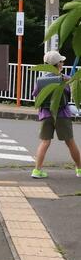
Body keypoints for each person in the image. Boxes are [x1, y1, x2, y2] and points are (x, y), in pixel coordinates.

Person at [30, 50, 81, 179]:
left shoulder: (40, 80)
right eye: (62, 61)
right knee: (70, 142)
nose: (63, 63)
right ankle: (80, 169)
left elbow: (35, 94)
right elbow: (70, 93)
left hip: (46, 114)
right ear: (58, 64)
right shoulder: (64, 79)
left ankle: (37, 170)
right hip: (62, 114)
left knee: (45, 142)